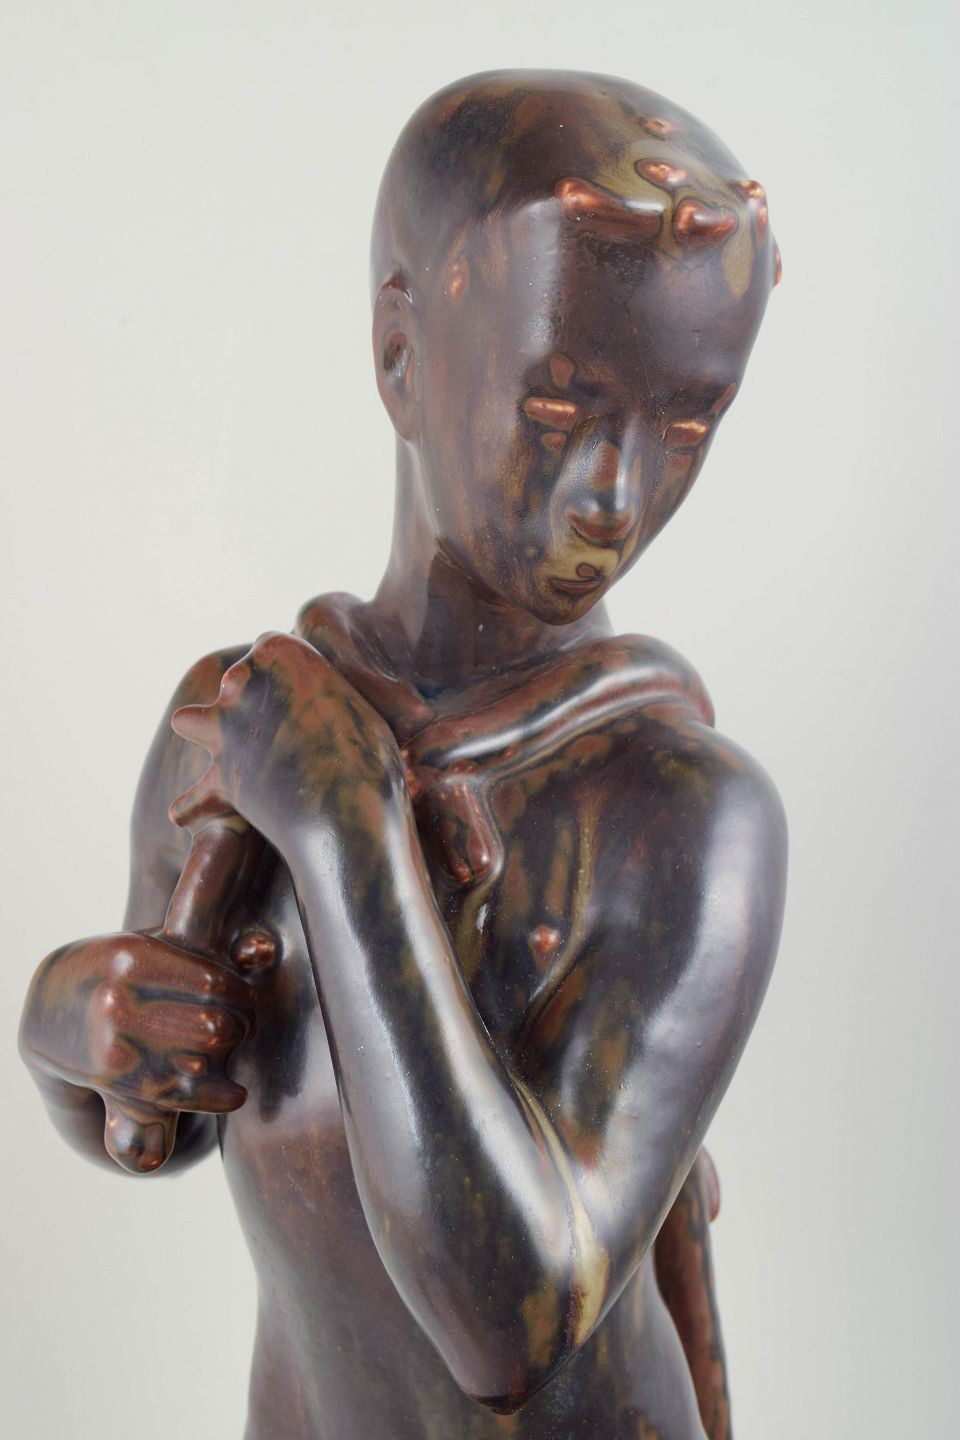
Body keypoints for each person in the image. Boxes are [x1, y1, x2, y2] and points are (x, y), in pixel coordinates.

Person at [19, 71, 787, 1439]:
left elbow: (511, 1321)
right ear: (399, 357)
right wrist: (70, 1029)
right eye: (558, 408)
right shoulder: (243, 721)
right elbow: (161, 1118)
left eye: (686, 426)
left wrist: (345, 830)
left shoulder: (684, 818)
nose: (615, 495)